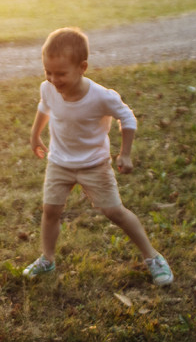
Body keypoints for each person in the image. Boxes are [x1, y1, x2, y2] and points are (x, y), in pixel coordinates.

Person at [24, 27, 173, 286]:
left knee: (114, 211)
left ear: (82, 67)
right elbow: (44, 106)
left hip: (94, 164)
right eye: (48, 72)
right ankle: (47, 259)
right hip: (59, 161)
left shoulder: (101, 96)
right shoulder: (48, 88)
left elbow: (127, 118)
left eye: (61, 73)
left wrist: (124, 154)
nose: (53, 79)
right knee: (50, 211)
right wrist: (35, 134)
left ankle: (152, 256)